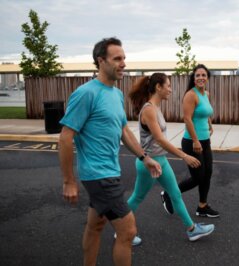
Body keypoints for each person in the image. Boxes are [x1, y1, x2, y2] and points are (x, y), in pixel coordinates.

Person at [58, 37, 161, 266]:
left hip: (110, 171)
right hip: (98, 175)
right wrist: (68, 181)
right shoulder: (86, 93)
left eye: (124, 58)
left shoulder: (115, 94)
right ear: (101, 61)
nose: (123, 63)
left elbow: (123, 130)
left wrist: (145, 158)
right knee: (128, 231)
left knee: (96, 225)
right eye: (117, 58)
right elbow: (65, 137)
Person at [126, 73, 215, 241]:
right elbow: (160, 139)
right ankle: (122, 229)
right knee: (137, 197)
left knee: (175, 194)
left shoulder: (156, 108)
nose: (170, 89)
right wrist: (184, 156)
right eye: (168, 86)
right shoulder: (149, 110)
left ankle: (192, 229)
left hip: (161, 161)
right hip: (149, 163)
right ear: (158, 87)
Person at [161, 64, 219, 218]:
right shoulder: (190, 95)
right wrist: (195, 140)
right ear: (194, 78)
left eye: (203, 75)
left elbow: (205, 112)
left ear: (207, 77)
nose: (200, 77)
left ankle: (202, 206)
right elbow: (187, 118)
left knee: (208, 174)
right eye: (197, 75)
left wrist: (209, 124)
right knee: (198, 177)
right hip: (192, 142)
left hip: (205, 140)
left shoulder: (206, 94)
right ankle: (169, 194)